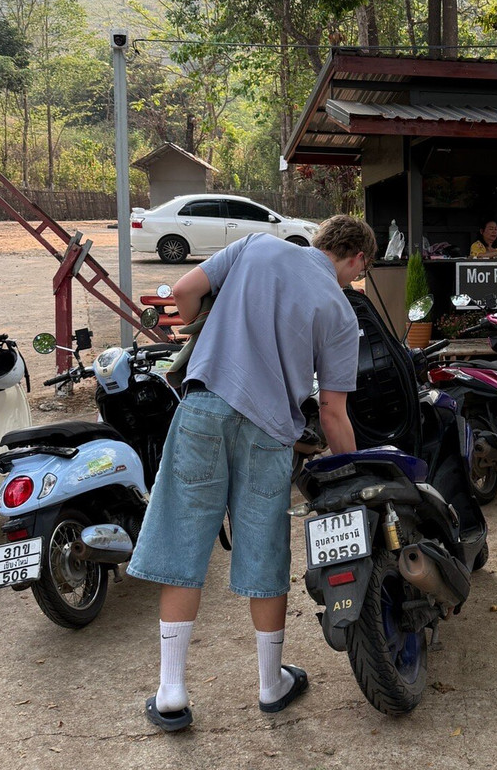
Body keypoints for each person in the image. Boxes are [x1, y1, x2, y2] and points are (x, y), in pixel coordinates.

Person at [127, 215, 377, 732]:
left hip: (204, 408)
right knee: (264, 548)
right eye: (361, 272)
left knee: (183, 541)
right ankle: (271, 683)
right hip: (269, 431)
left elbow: (183, 290)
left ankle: (171, 691)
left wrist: (203, 328)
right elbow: (332, 412)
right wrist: (352, 474)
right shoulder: (340, 311)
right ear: (357, 259)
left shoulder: (257, 247)